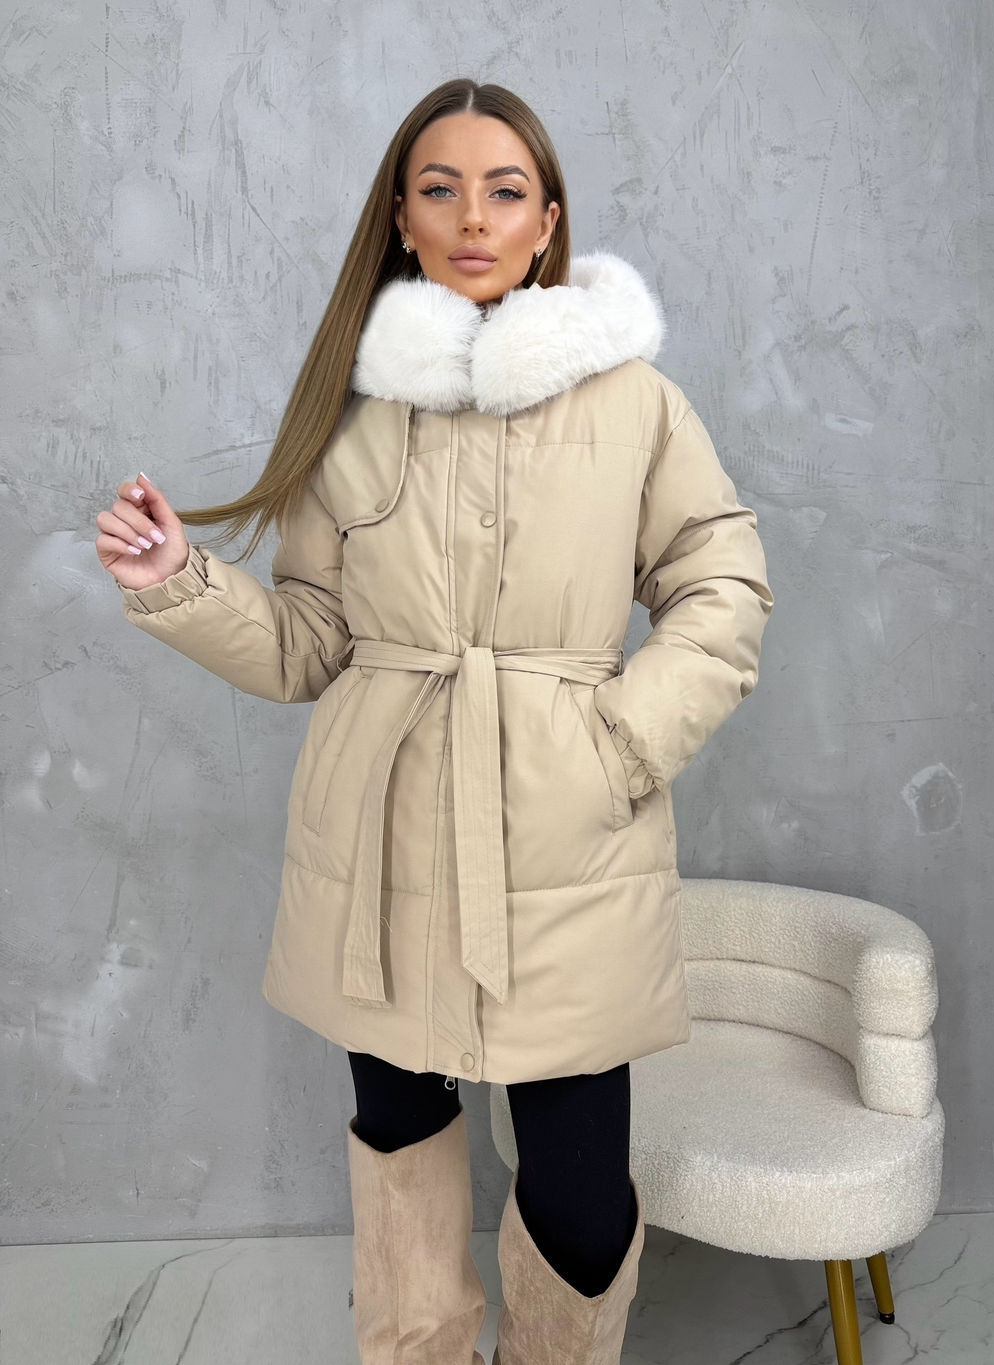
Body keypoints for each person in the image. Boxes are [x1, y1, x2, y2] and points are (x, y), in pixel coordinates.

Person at [95, 78, 773, 1365]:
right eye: (439, 189)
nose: (472, 216)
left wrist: (618, 745)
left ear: (547, 220)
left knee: (579, 1184)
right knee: (399, 1139)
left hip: (568, 833)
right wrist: (179, 582)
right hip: (381, 832)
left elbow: (722, 585)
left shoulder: (633, 402)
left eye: (504, 190)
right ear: (401, 219)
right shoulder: (355, 413)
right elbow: (309, 642)